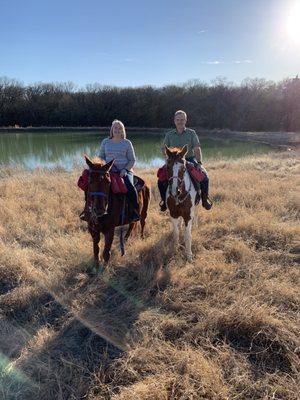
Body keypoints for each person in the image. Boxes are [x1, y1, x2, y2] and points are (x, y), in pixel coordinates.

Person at [79, 119, 140, 222]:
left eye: (119, 128)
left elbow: (132, 160)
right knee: (93, 186)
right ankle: (88, 210)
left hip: (124, 171)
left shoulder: (127, 143)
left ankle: (134, 211)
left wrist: (125, 170)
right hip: (107, 171)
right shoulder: (105, 142)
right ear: (112, 129)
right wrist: (100, 168)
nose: (117, 130)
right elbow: (101, 157)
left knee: (130, 186)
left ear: (122, 130)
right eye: (115, 127)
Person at [158, 110, 212, 211]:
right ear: (174, 121)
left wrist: (199, 163)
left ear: (185, 120)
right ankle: (164, 202)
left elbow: (197, 149)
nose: (180, 122)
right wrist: (167, 159)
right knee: (160, 180)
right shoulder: (169, 135)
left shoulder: (191, 133)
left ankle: (205, 200)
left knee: (204, 177)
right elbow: (163, 149)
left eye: (182, 120)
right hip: (173, 160)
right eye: (178, 120)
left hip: (189, 159)